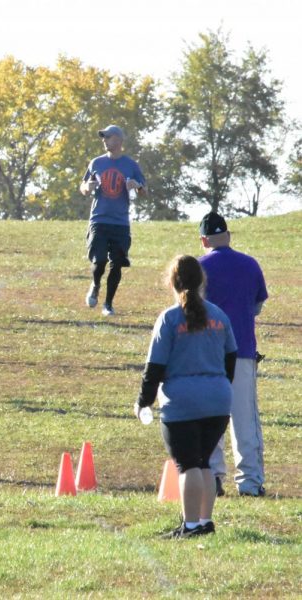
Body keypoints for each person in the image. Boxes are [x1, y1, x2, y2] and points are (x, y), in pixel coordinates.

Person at [135, 255, 237, 538]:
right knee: (204, 461)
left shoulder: (169, 319)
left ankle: (190, 526)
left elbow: (154, 367)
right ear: (202, 280)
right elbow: (231, 359)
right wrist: (219, 387)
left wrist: (144, 400)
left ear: (172, 282)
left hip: (182, 401)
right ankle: (205, 522)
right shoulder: (219, 315)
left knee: (188, 464)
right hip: (218, 400)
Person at [198, 212, 269, 497]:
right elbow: (257, 305)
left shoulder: (198, 266)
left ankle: (213, 476)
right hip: (241, 351)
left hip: (207, 354)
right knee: (245, 420)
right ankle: (250, 482)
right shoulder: (250, 264)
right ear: (228, 235)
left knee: (210, 416)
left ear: (203, 240)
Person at [79, 125, 145, 316]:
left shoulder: (131, 165)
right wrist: (87, 187)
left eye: (108, 137)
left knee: (117, 263)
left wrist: (137, 186)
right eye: (104, 138)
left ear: (118, 140)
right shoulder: (96, 163)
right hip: (99, 219)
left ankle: (108, 304)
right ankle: (96, 283)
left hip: (121, 223)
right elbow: (83, 187)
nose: (104, 140)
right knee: (99, 261)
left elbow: (144, 191)